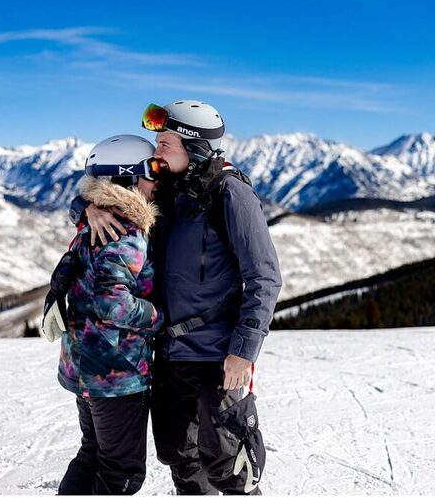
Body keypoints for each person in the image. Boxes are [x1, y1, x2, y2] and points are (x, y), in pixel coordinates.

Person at [69, 100, 282, 494]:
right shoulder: (168, 190)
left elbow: (265, 277)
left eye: (165, 143)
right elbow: (115, 191)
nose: (156, 151)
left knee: (228, 462)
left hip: (215, 355)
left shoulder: (230, 194)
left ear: (195, 148)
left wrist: (244, 351)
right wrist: (88, 208)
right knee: (178, 453)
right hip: (168, 354)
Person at [41, 134, 164, 495]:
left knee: (92, 454)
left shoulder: (94, 221)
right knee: (121, 475)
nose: (156, 182)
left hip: (85, 366)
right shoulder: (126, 233)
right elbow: (113, 304)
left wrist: (85, 207)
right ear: (127, 177)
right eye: (150, 173)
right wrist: (159, 316)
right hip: (117, 373)